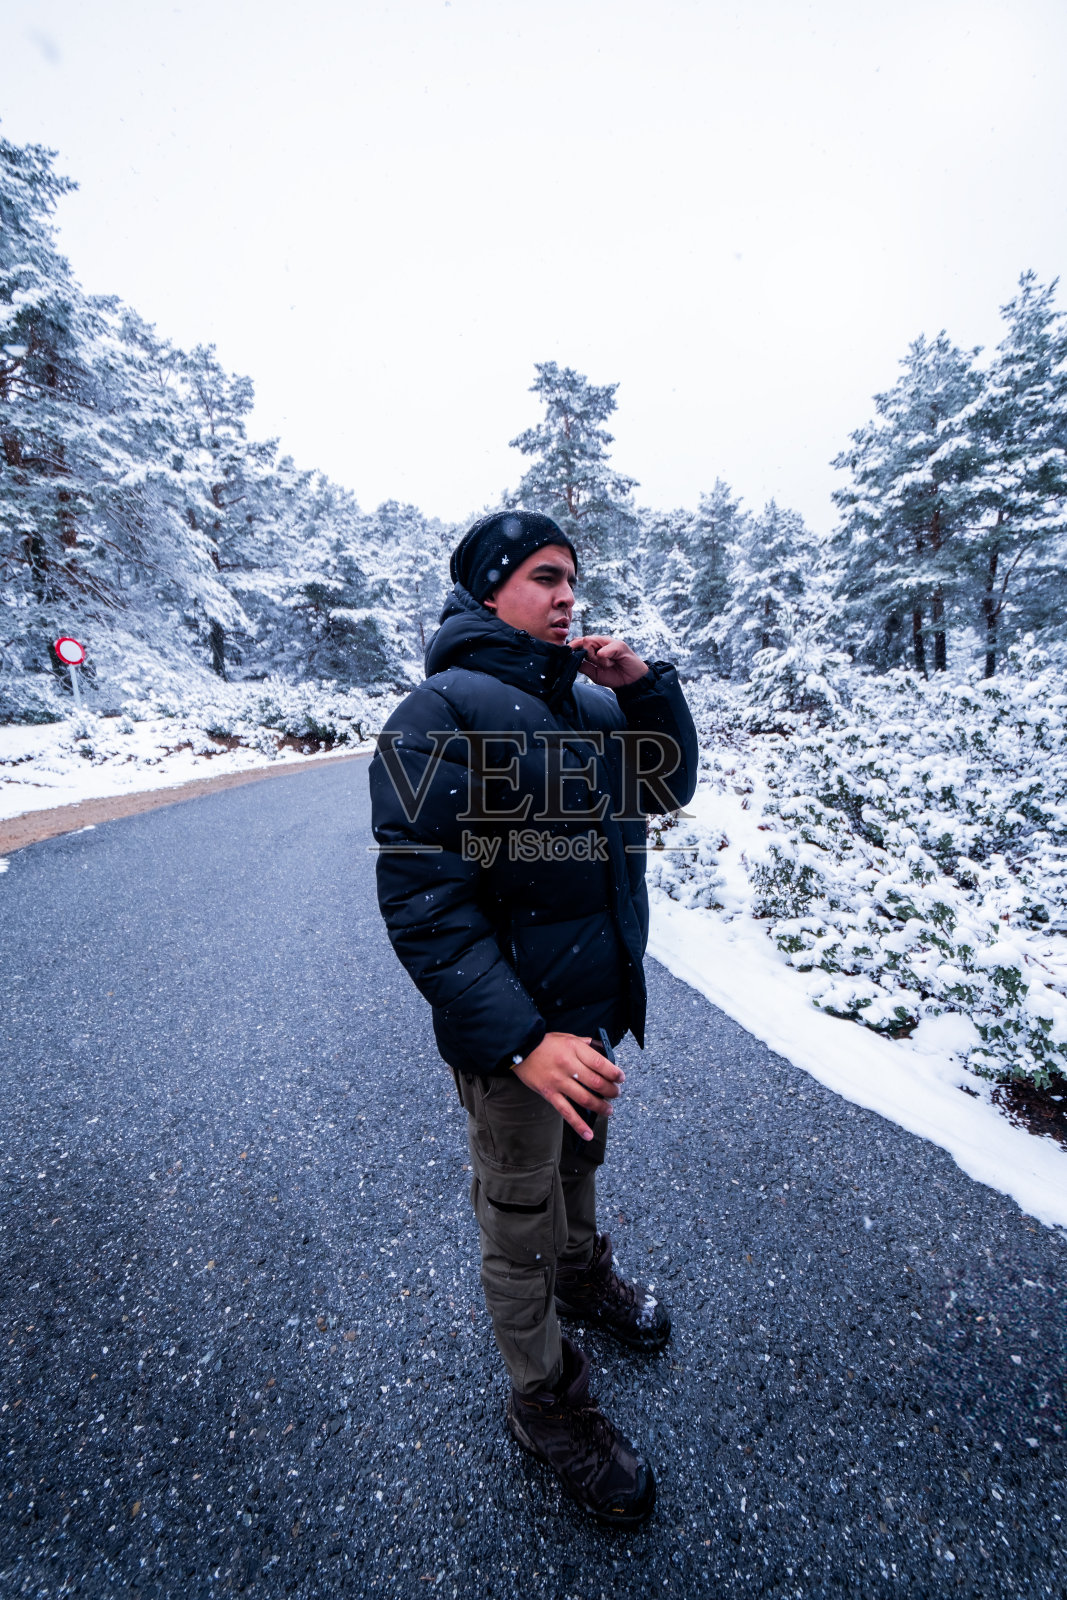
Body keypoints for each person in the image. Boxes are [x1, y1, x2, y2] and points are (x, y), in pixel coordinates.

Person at [369, 509, 698, 1526]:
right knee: (515, 1212)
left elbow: (669, 781)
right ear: (489, 587)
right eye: (544, 577)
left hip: (586, 1016)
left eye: (573, 581)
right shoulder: (437, 716)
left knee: (578, 1162)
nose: (566, 596)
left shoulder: (591, 706)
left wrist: (645, 688)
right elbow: (425, 903)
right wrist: (520, 1037)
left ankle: (581, 1271)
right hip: (514, 1041)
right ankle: (542, 1401)